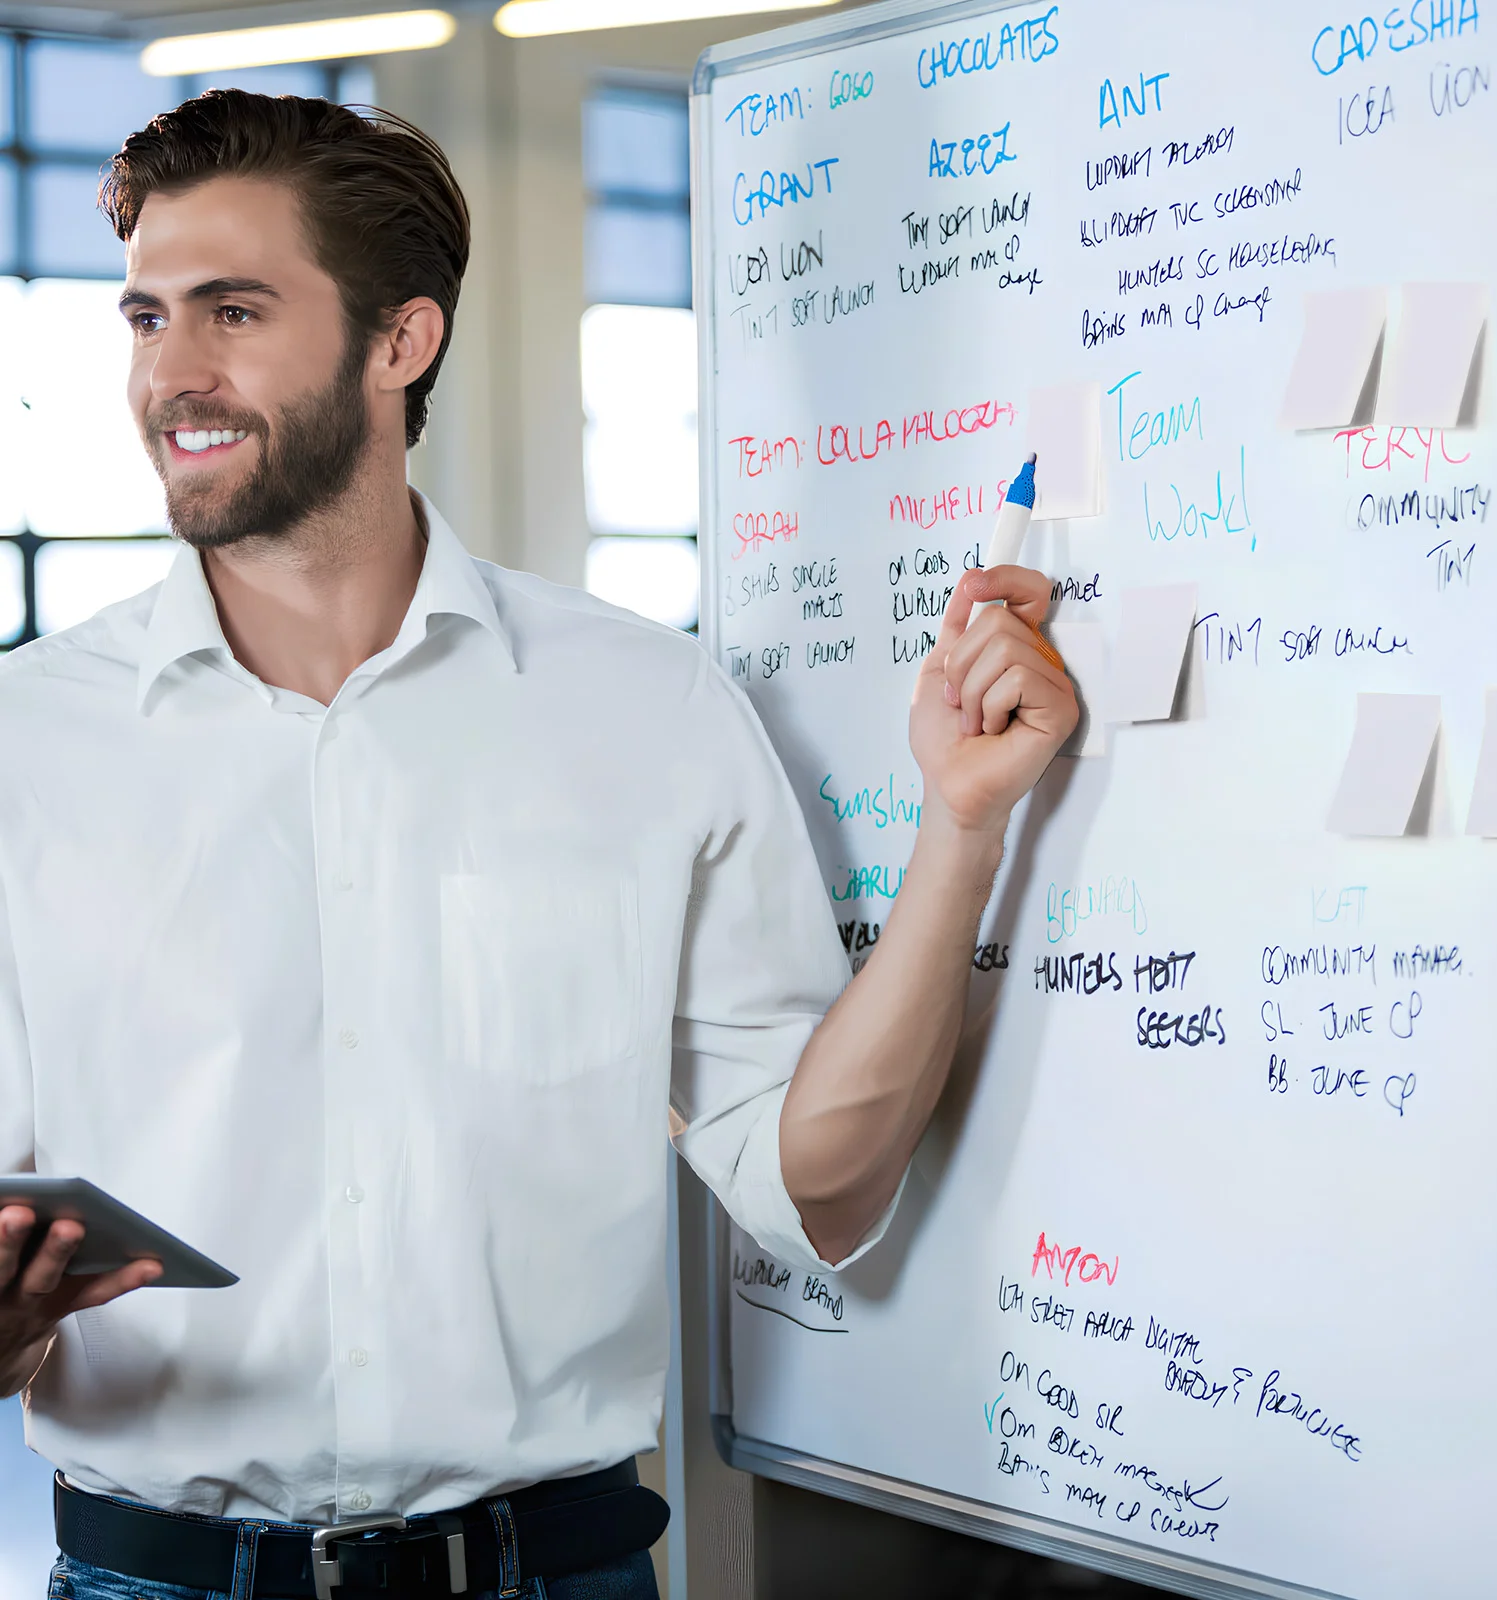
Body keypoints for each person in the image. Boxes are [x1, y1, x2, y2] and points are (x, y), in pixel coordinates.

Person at [0, 92, 1076, 1600]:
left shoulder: (647, 709)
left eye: (233, 311)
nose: (172, 372)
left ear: (402, 342)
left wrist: (965, 829)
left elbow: (813, 1182)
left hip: (548, 1572)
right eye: (144, 317)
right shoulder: (25, 746)